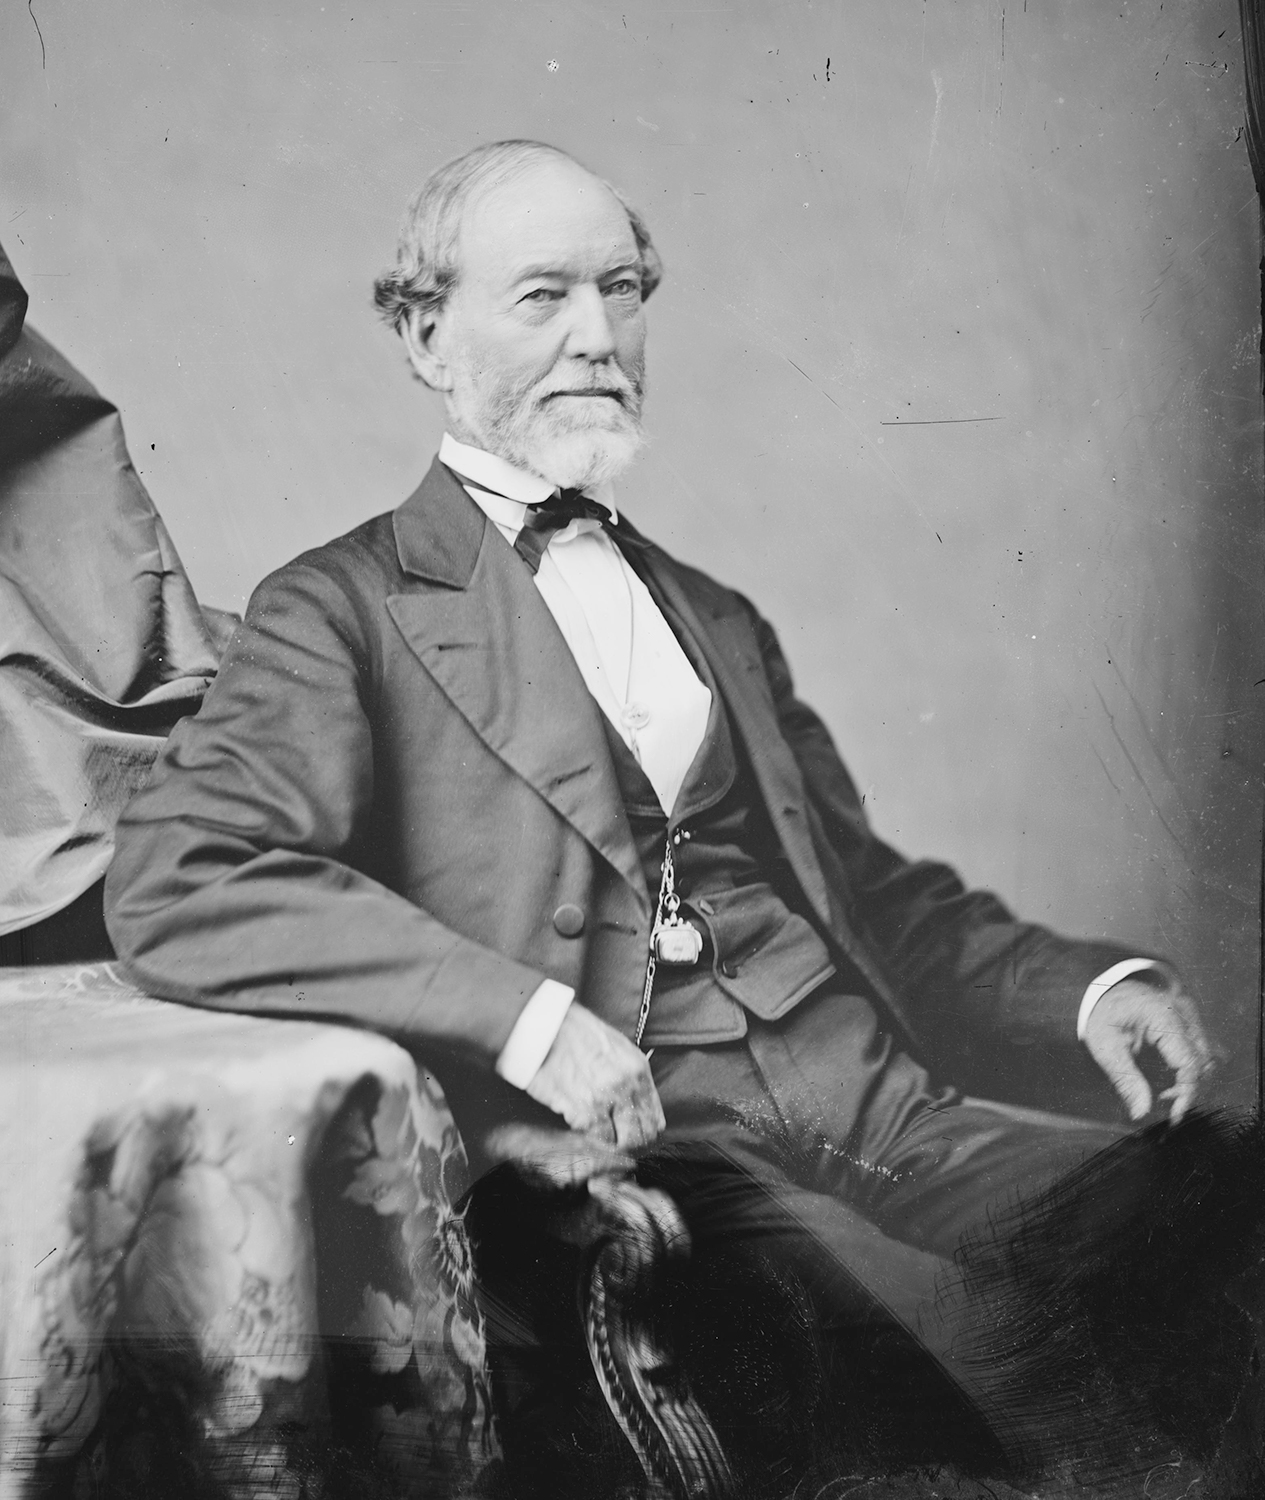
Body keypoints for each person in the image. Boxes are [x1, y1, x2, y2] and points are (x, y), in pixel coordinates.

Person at [102, 139, 1215, 1462]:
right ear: (421, 336)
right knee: (941, 1380)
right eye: (540, 297)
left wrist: (1090, 992)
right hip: (651, 1157)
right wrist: (525, 1022)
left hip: (888, 1114)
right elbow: (184, 874)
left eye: (621, 291)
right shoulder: (337, 607)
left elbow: (875, 903)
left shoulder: (715, 617)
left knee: (1212, 1212)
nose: (595, 336)